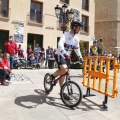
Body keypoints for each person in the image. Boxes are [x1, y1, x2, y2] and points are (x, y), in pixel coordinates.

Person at [50, 20, 83, 92]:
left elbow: (77, 49)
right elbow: (60, 44)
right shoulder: (66, 34)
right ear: (74, 27)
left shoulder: (76, 39)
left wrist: (80, 57)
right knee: (64, 70)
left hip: (67, 57)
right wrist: (64, 52)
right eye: (79, 28)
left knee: (63, 75)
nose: (79, 29)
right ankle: (52, 76)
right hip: (60, 54)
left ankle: (62, 93)